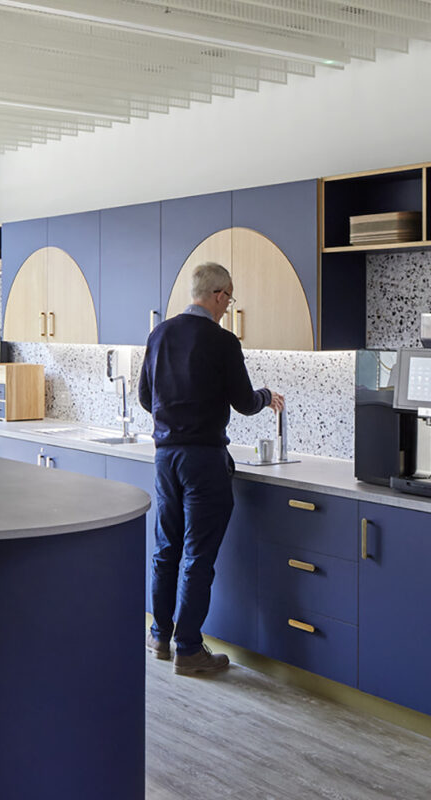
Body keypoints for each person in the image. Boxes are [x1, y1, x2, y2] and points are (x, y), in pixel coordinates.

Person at [139, 262, 284, 676]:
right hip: (203, 459)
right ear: (219, 295)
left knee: (166, 550)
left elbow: (146, 397)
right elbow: (244, 401)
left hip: (165, 458)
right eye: (228, 300)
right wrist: (266, 396)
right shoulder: (222, 341)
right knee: (197, 556)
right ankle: (188, 649)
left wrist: (173, 417)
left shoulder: (159, 334)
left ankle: (159, 636)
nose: (227, 307)